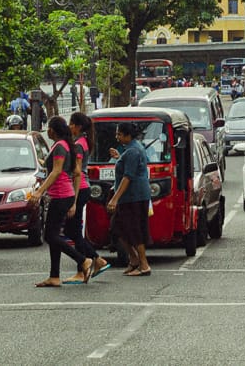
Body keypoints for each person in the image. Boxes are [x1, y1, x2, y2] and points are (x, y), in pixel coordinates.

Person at [27, 115, 83, 288]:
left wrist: (39, 191)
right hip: (64, 194)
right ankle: (54, 276)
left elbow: (57, 171)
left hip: (60, 195)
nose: (48, 130)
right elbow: (74, 171)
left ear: (52, 130)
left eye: (49, 128)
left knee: (50, 236)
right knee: (54, 236)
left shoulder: (60, 146)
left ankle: (83, 260)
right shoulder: (66, 145)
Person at [64, 112, 107, 282]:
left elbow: (77, 173)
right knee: (73, 231)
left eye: (72, 124)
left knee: (71, 231)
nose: (69, 127)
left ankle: (95, 259)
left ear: (78, 126)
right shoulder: (83, 142)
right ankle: (87, 265)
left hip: (79, 189)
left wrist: (72, 200)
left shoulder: (79, 145)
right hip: (82, 188)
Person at [106, 121, 152, 277]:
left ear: (127, 135)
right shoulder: (130, 150)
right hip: (130, 197)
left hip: (134, 196)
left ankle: (144, 264)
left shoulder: (133, 151)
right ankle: (133, 259)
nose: (117, 137)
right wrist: (119, 158)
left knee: (134, 229)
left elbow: (128, 177)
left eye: (119, 134)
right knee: (117, 228)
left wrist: (115, 199)